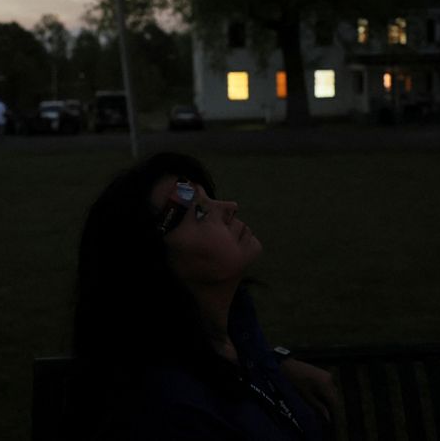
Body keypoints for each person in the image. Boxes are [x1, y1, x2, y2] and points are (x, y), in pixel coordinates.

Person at [69, 152, 336, 440]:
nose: (231, 207)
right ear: (152, 264)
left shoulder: (233, 331)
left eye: (210, 198)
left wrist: (276, 365)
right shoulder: (174, 415)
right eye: (200, 211)